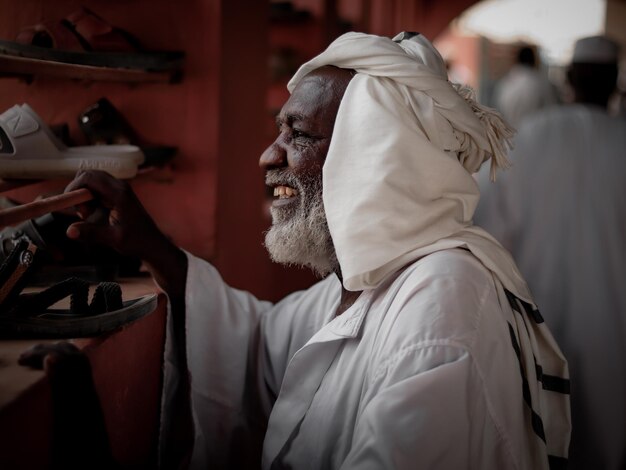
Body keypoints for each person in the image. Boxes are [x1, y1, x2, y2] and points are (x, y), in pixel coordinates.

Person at [36, 32, 571, 469]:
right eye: (279, 130)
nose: (269, 157)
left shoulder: (442, 300)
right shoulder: (373, 279)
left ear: (374, 161)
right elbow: (261, 343)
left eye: (299, 135)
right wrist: (155, 251)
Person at [474, 35, 625, 470]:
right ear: (614, 82)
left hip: (537, 327)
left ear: (571, 79)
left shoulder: (532, 138)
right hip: (616, 332)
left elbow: (483, 226)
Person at [493, 45, 558, 129]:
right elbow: (552, 112)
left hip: (509, 137)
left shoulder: (505, 84)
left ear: (517, 60)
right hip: (535, 136)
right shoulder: (542, 83)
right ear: (534, 60)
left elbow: (497, 113)